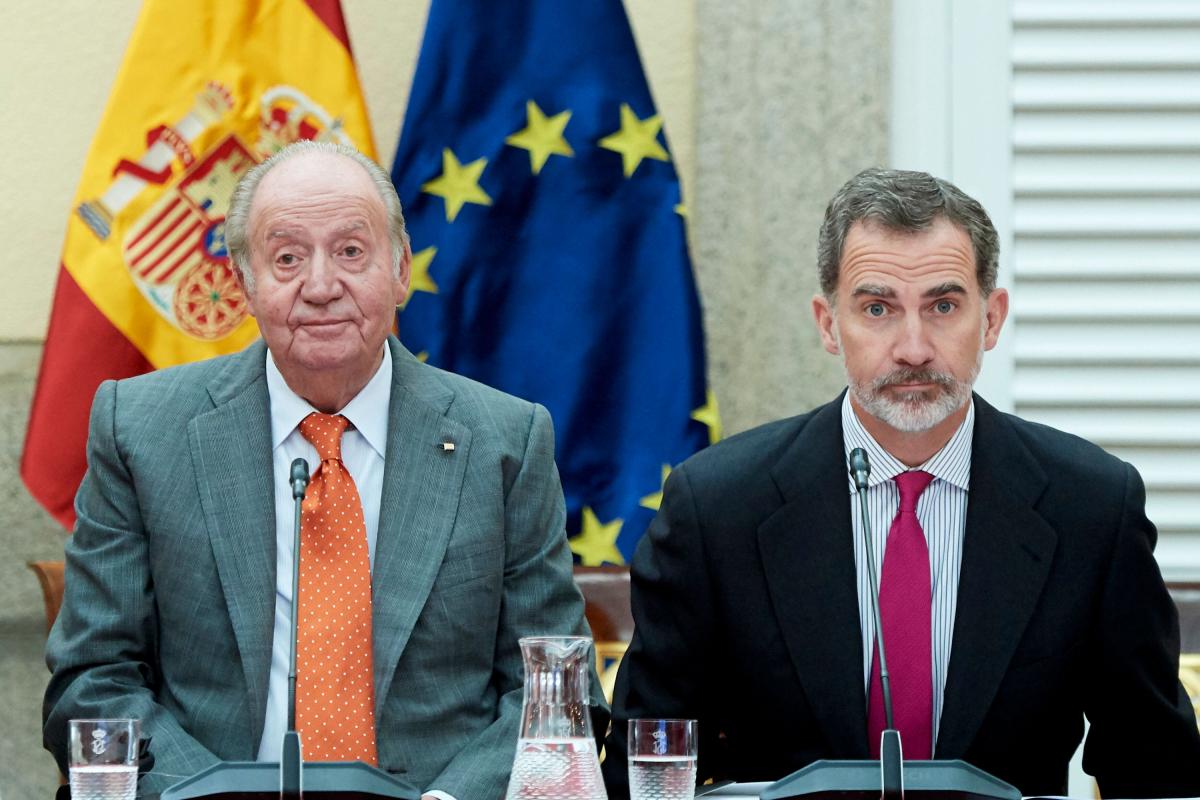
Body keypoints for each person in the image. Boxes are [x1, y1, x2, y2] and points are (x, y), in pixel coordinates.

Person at [601, 168, 1200, 798]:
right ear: (828, 325)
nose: (913, 348)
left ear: (991, 319)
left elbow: (1157, 773)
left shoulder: (1091, 507)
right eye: (877, 308)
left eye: (943, 306)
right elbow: (644, 770)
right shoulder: (718, 508)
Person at [44, 141, 601, 800]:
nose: (320, 286)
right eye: (286, 258)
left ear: (401, 270)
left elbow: (557, 694)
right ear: (244, 285)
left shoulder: (504, 442)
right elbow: (93, 680)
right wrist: (211, 795)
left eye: (351, 251)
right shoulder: (141, 430)